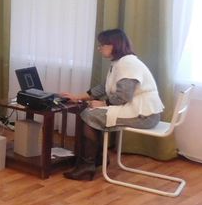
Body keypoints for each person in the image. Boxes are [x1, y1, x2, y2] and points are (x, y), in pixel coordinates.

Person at [61, 28, 165, 181]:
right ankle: (97, 159)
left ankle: (87, 165)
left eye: (102, 45)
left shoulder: (127, 64)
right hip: (139, 110)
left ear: (113, 45)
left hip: (144, 115)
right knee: (90, 112)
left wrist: (103, 103)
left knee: (88, 114)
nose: (99, 48)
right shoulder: (119, 63)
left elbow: (123, 95)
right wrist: (78, 97)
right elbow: (104, 87)